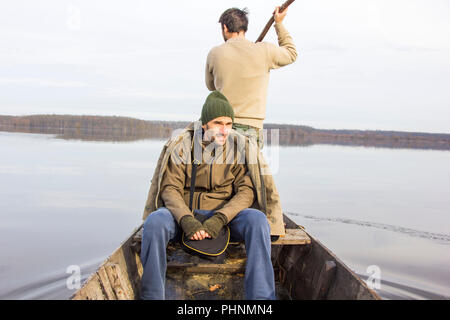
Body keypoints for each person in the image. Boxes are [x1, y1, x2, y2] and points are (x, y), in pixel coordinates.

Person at [140, 91, 276, 300]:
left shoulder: (239, 149)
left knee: (258, 221)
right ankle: (151, 296)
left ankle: (262, 299)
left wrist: (220, 218)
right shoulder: (182, 147)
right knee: (155, 222)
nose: (224, 130)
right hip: (186, 215)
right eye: (218, 123)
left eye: (229, 124)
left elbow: (246, 191)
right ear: (204, 125)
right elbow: (170, 189)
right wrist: (187, 220)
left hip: (226, 218)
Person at [205, 6, 297, 146]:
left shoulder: (214, 53)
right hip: (252, 129)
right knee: (249, 168)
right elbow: (291, 53)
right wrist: (278, 24)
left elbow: (210, 86)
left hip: (223, 127)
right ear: (244, 28)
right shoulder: (264, 50)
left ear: (225, 28)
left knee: (220, 167)